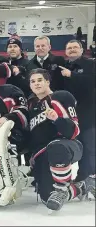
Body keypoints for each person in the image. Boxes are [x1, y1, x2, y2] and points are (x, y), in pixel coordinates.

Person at [27, 68, 94, 211]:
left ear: (47, 82)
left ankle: (61, 189)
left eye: (40, 80)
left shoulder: (60, 96)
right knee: (47, 197)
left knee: (56, 147)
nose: (36, 84)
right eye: (33, 81)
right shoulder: (32, 104)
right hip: (44, 153)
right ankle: (82, 186)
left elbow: (74, 131)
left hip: (68, 146)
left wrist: (57, 119)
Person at [60, 40, 95, 183]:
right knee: (73, 145)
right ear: (65, 51)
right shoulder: (63, 66)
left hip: (88, 112)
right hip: (68, 113)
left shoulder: (91, 64)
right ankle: (70, 176)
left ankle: (89, 177)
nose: (72, 50)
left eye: (75, 47)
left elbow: (93, 81)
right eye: (69, 48)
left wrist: (72, 75)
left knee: (89, 146)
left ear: (82, 50)